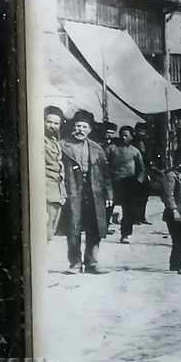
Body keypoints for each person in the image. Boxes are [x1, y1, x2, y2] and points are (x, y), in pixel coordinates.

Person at [60, 109, 112, 273]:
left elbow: (106, 174)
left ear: (89, 130)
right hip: (72, 192)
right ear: (72, 127)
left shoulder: (97, 149)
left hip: (93, 193)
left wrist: (109, 194)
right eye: (77, 126)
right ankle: (75, 263)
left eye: (84, 127)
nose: (80, 130)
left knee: (94, 227)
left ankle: (92, 262)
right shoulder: (63, 146)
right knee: (73, 228)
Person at [107, 125, 145, 244]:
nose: (123, 137)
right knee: (108, 206)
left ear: (132, 137)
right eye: (122, 135)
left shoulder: (135, 151)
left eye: (126, 135)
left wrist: (138, 181)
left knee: (128, 210)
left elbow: (142, 169)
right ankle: (102, 229)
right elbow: (103, 162)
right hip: (114, 182)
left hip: (130, 183)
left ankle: (126, 234)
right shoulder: (112, 148)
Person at [44, 105, 67, 243]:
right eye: (49, 122)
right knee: (46, 225)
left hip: (57, 187)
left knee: (53, 224)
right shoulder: (39, 140)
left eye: (56, 123)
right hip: (46, 186)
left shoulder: (55, 142)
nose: (52, 125)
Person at [131, 122, 152, 224]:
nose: (142, 133)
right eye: (140, 131)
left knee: (144, 196)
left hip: (146, 171)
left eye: (144, 131)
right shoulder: (132, 143)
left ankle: (142, 216)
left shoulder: (148, 142)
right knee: (135, 195)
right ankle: (135, 217)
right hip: (135, 172)